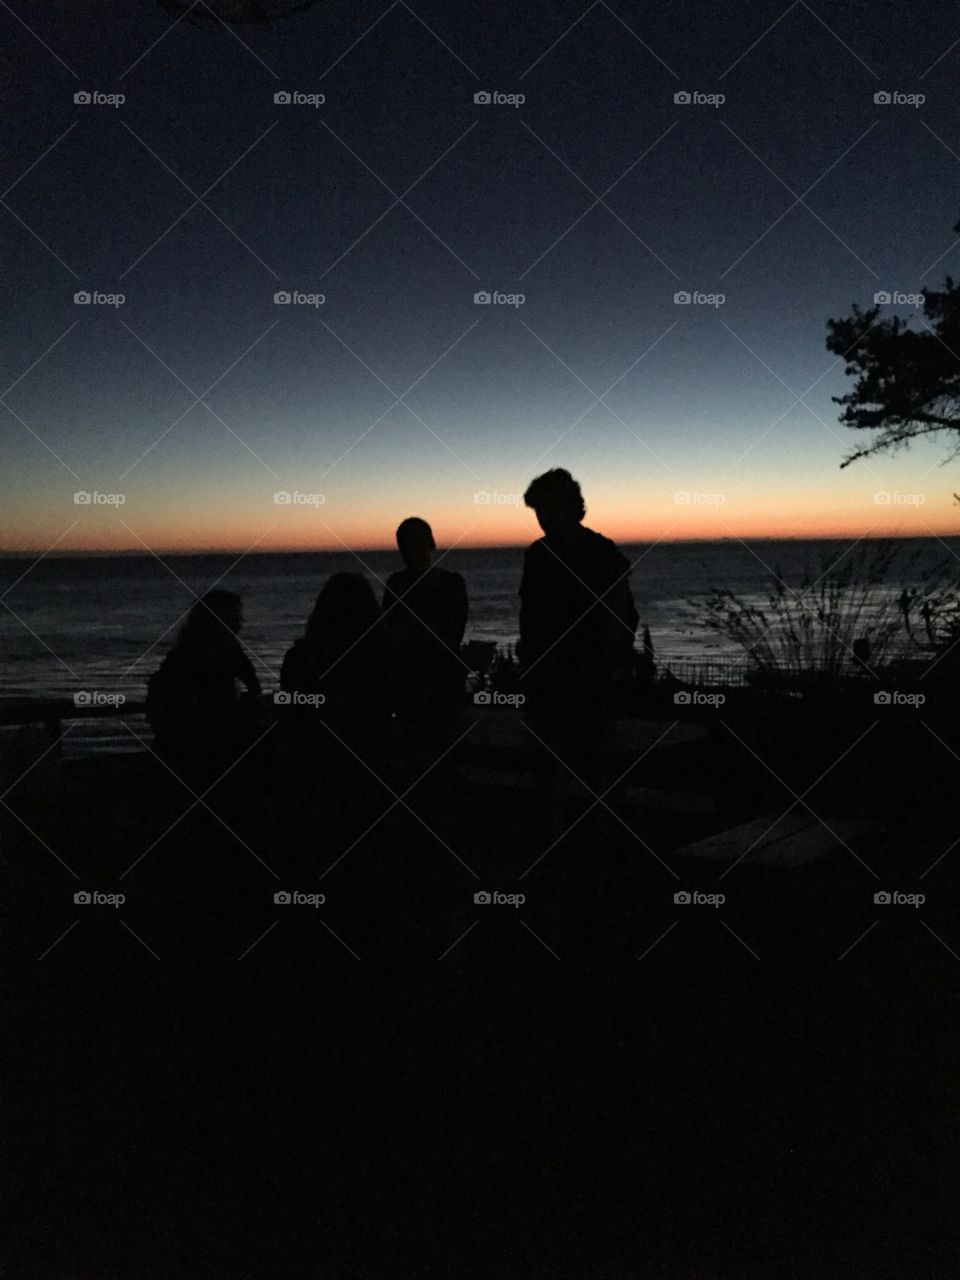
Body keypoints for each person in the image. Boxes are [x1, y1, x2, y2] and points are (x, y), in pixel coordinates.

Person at [518, 469, 637, 789]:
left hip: (588, 682)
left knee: (592, 766)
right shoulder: (538, 555)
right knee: (551, 768)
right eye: (539, 511)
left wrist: (602, 663)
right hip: (548, 681)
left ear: (571, 507)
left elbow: (621, 615)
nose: (543, 518)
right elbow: (529, 616)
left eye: (549, 509)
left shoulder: (601, 553)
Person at [146, 590, 262, 774]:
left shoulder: (228, 652)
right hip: (196, 744)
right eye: (233, 618)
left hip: (209, 739)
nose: (240, 623)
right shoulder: (188, 656)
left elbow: (252, 683)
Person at [279, 572, 389, 767]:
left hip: (315, 752)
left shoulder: (300, 656)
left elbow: (294, 706)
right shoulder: (383, 653)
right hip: (374, 749)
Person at [380, 518, 468, 749]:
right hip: (427, 681)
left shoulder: (399, 584)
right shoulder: (400, 584)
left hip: (427, 681)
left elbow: (388, 633)